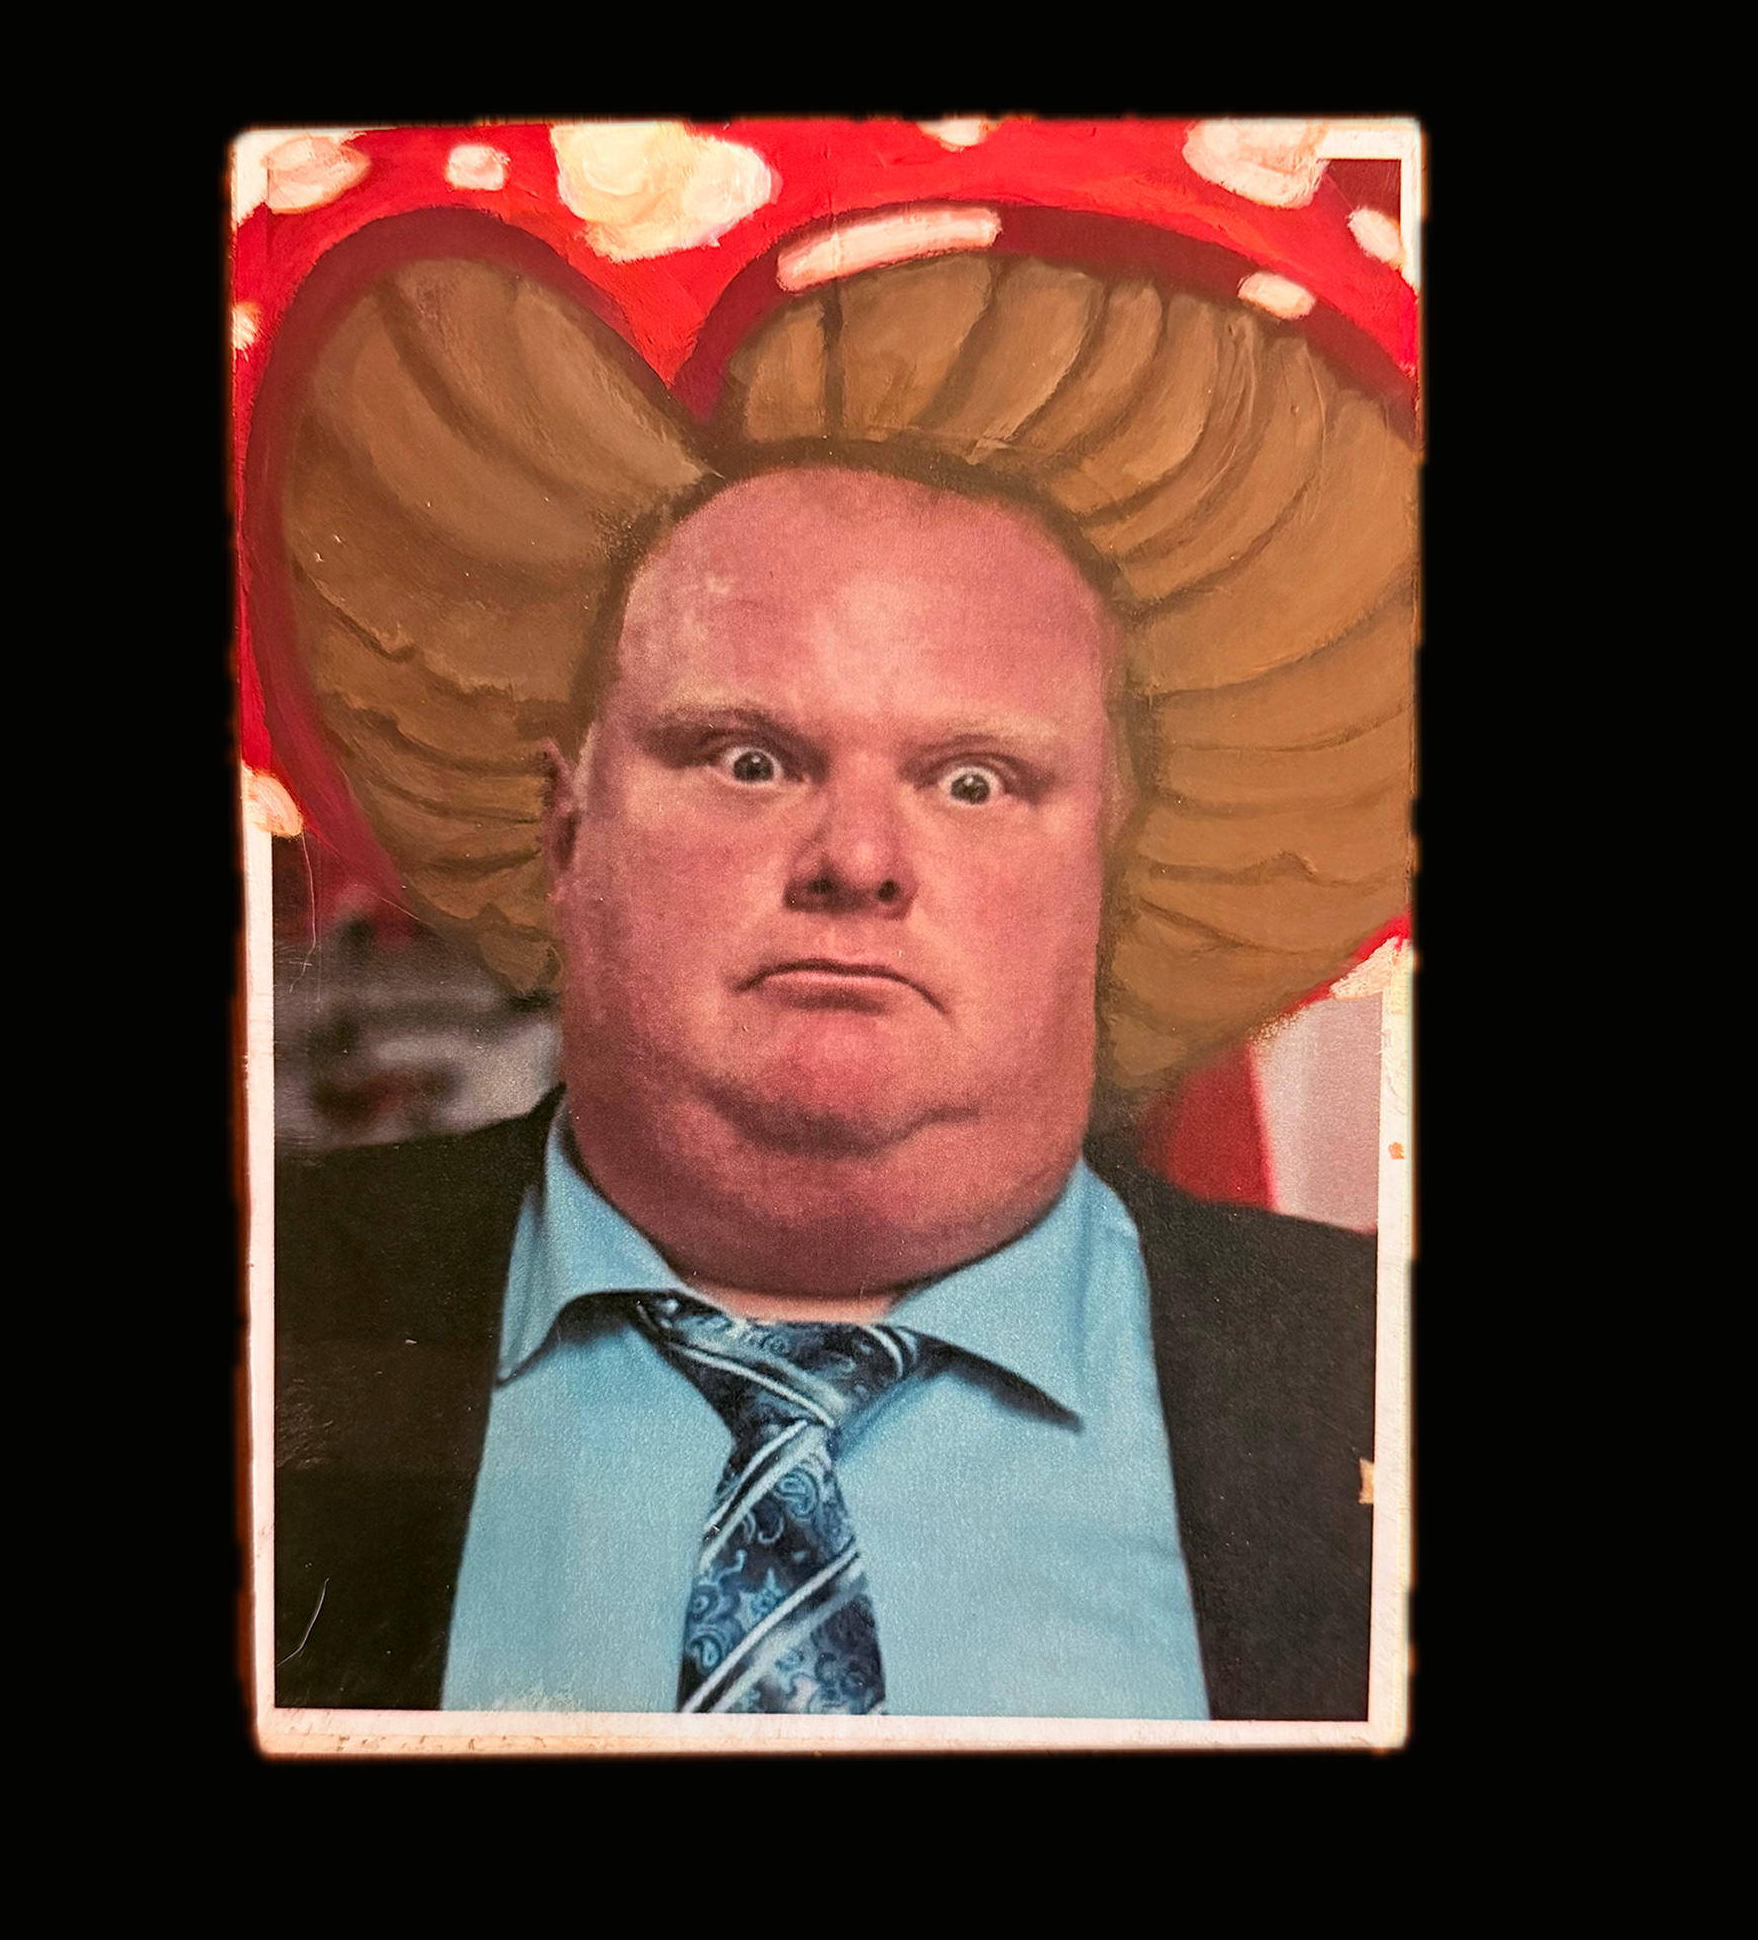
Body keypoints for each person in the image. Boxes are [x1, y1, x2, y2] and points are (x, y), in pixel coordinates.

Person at [265, 240, 1411, 1721]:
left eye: (975, 780)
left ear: (1110, 865)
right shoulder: (275, 1301)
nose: (857, 861)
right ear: (566, 833)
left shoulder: (1374, 1366)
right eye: (749, 760)